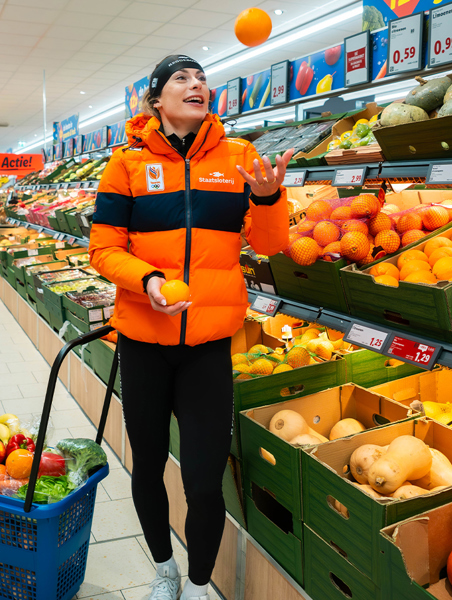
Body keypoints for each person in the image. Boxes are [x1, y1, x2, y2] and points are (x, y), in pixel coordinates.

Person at [88, 54, 293, 600]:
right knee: (148, 466)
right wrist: (148, 280)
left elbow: (272, 246)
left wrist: (271, 198)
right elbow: (103, 251)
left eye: (202, 78)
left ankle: (200, 582)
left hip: (207, 346)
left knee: (204, 482)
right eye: (182, 78)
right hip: (142, 342)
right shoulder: (124, 165)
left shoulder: (239, 157)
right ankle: (163, 568)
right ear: (157, 99)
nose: (196, 84)